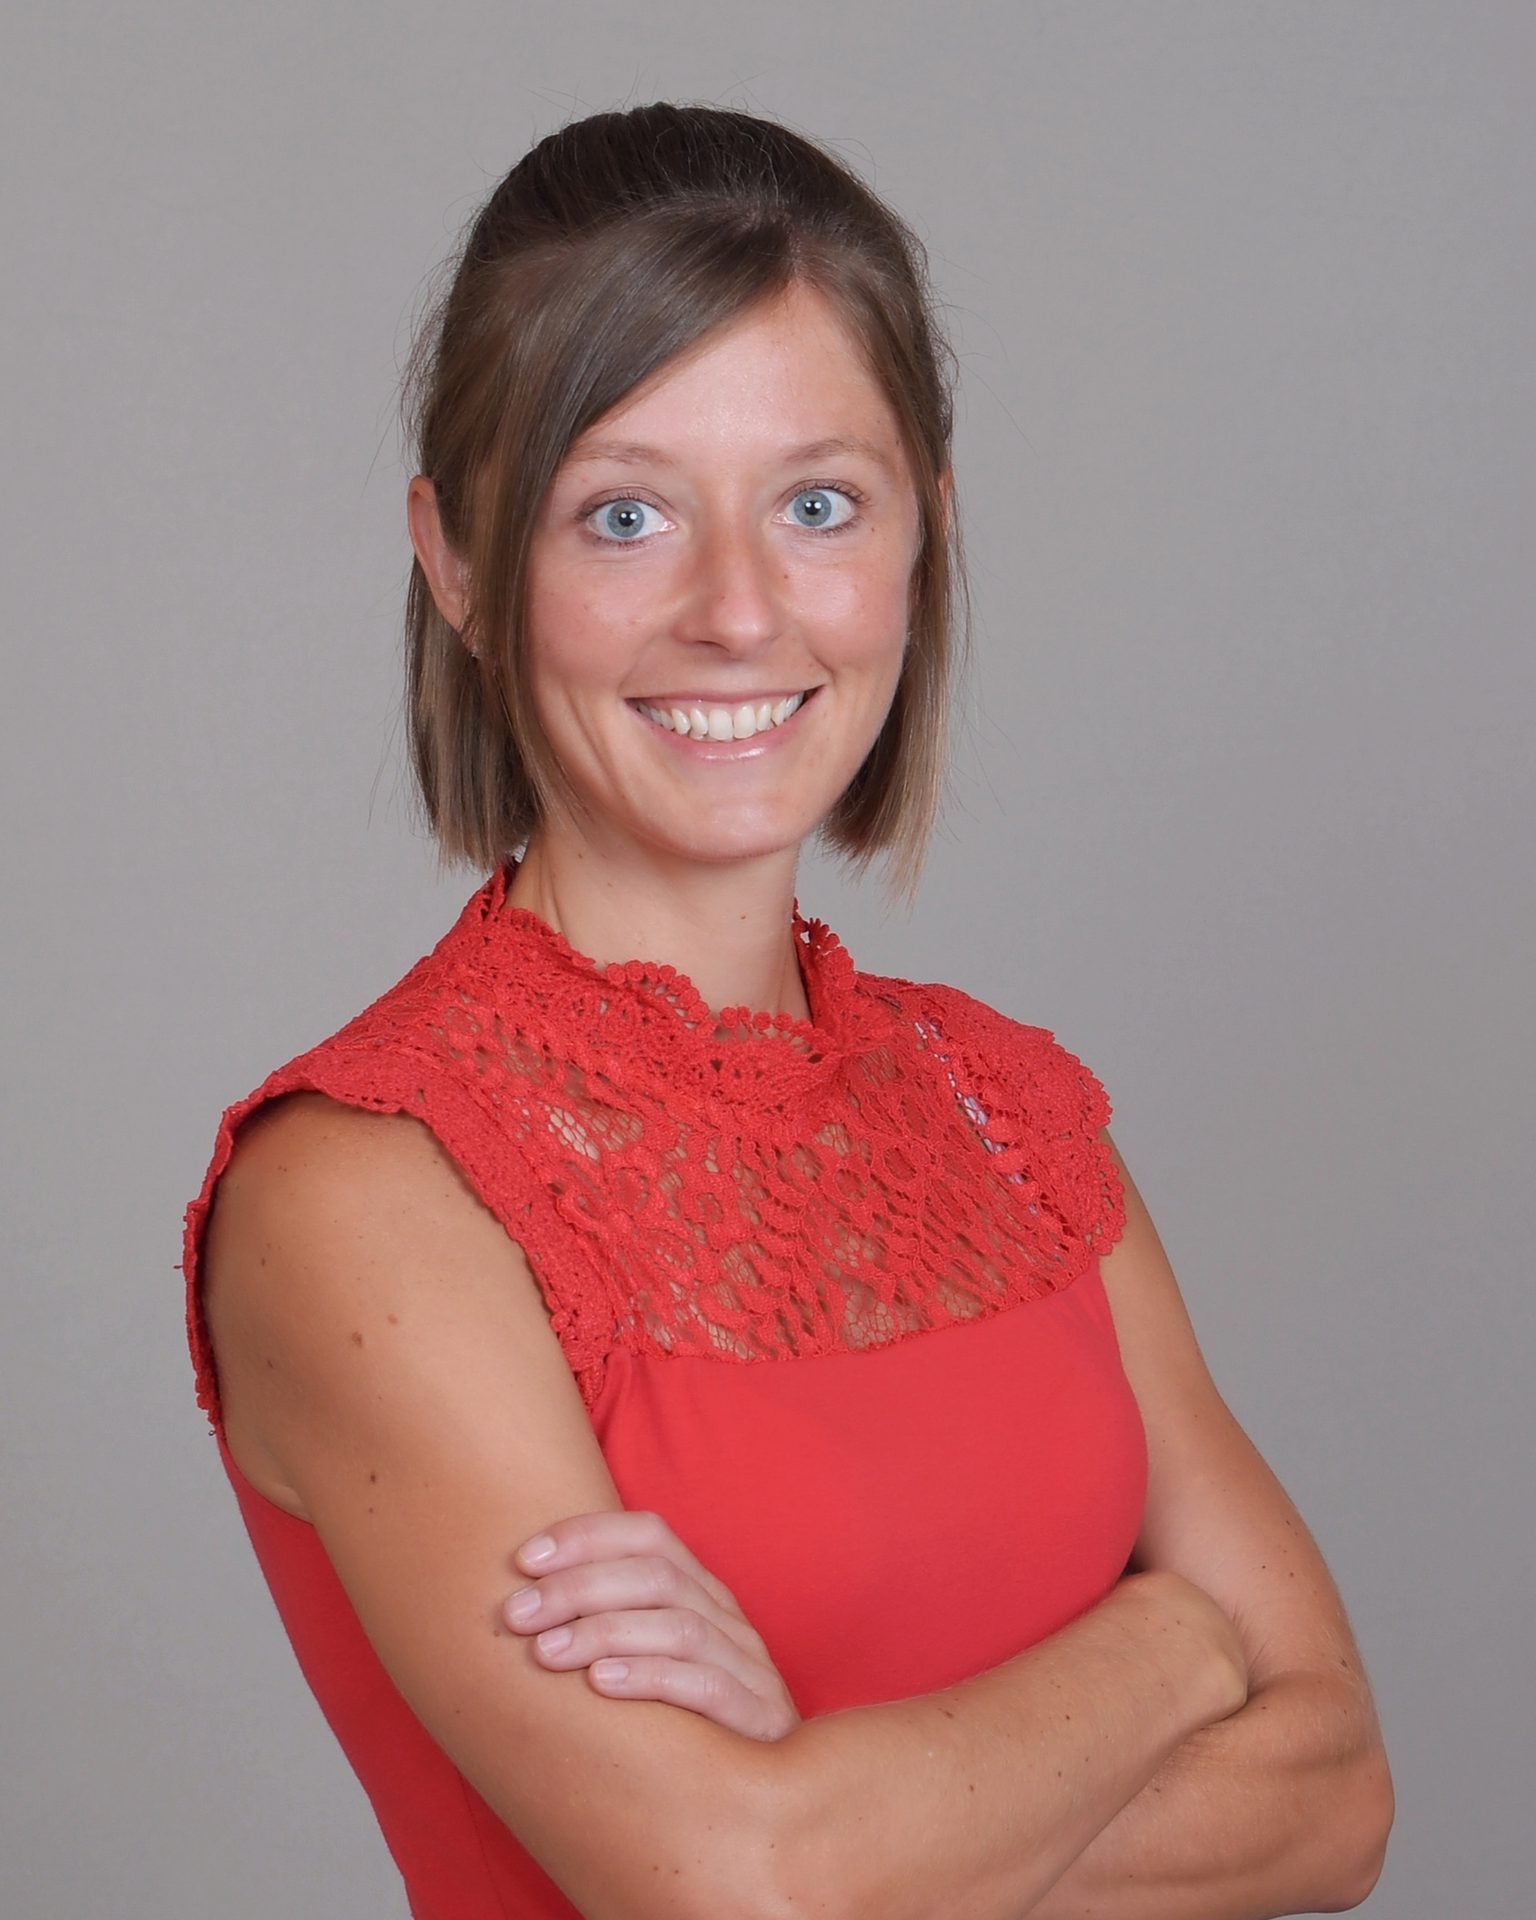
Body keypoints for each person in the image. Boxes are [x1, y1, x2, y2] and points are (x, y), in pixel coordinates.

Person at [180, 101, 1393, 1920]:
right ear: (455, 560)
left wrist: (827, 1800)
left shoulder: (1005, 1117)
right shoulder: (365, 1192)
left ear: (924, 538)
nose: (739, 611)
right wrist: (1177, 1658)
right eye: (626, 514)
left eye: (819, 504)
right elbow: (729, 1886)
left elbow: (1339, 1799)